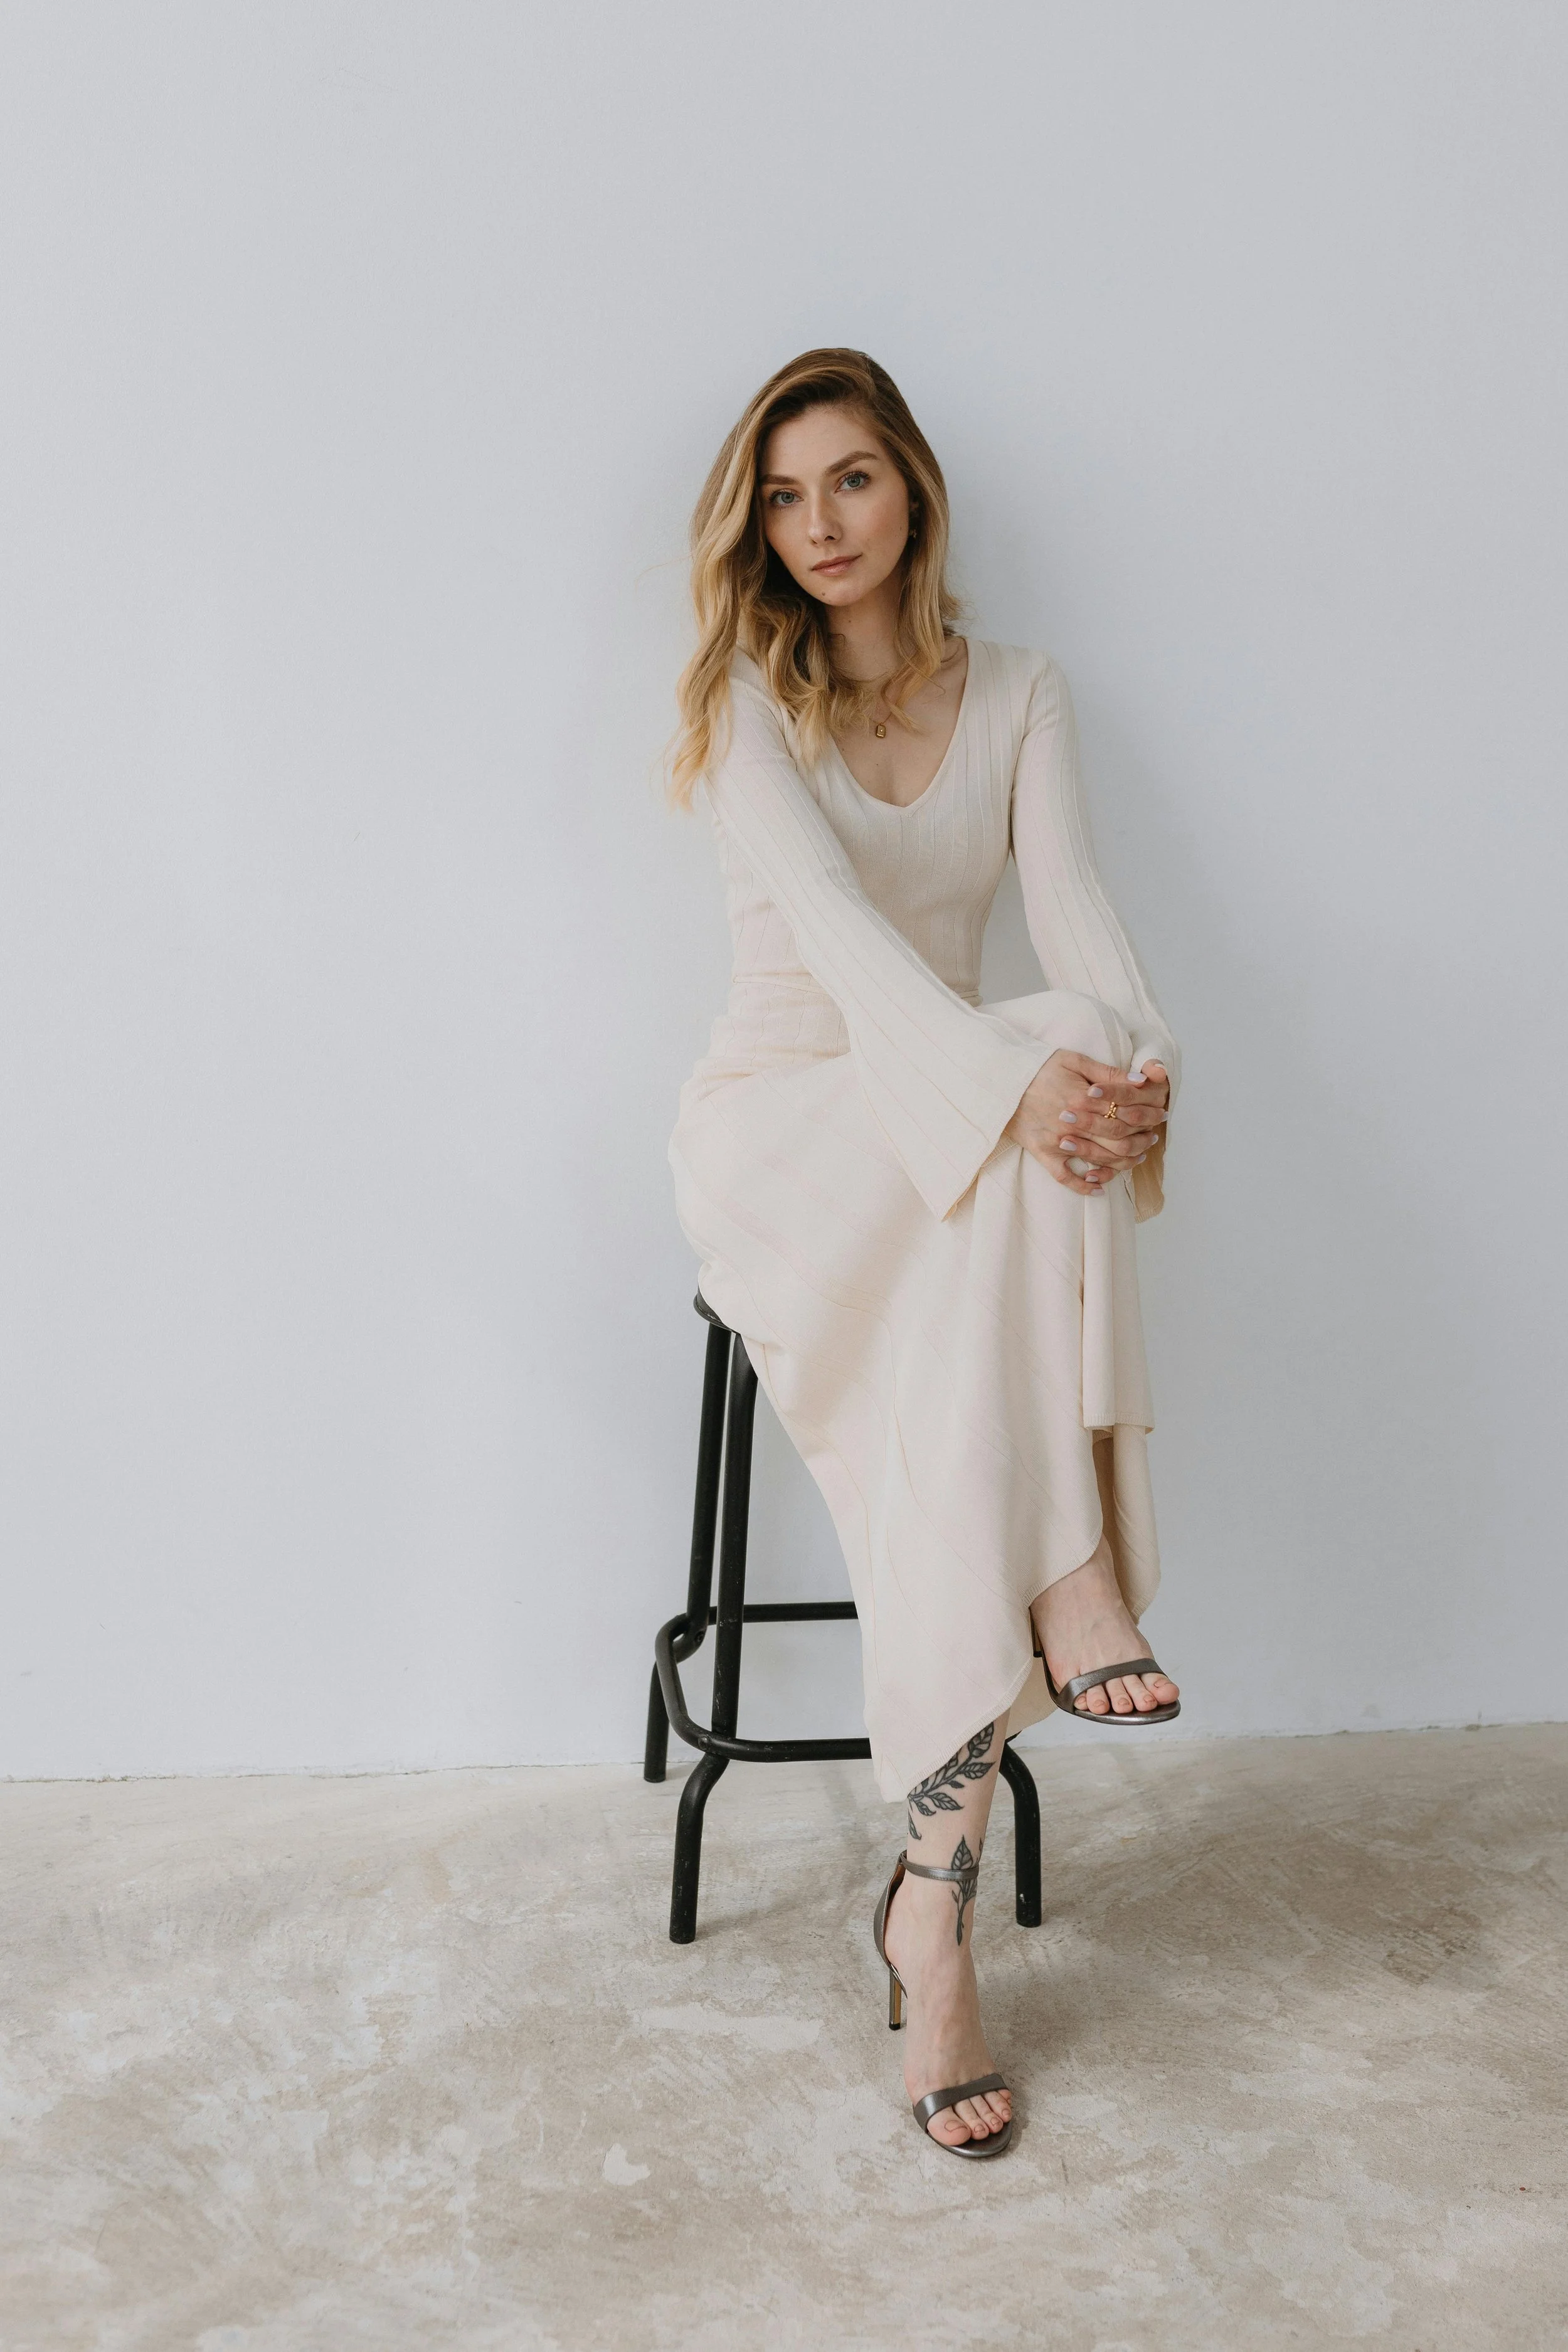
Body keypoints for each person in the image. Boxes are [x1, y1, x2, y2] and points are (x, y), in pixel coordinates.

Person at [667, 349, 1181, 2159]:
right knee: (1024, 1099)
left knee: (1067, 1059)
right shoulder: (746, 702)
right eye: (787, 496)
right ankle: (1066, 1561)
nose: (818, 526)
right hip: (791, 1130)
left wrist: (1127, 1076)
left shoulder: (1024, 693)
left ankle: (929, 1903)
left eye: (851, 483)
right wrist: (1038, 1080)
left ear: (915, 493)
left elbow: (1085, 926)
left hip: (957, 1135)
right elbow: (853, 960)